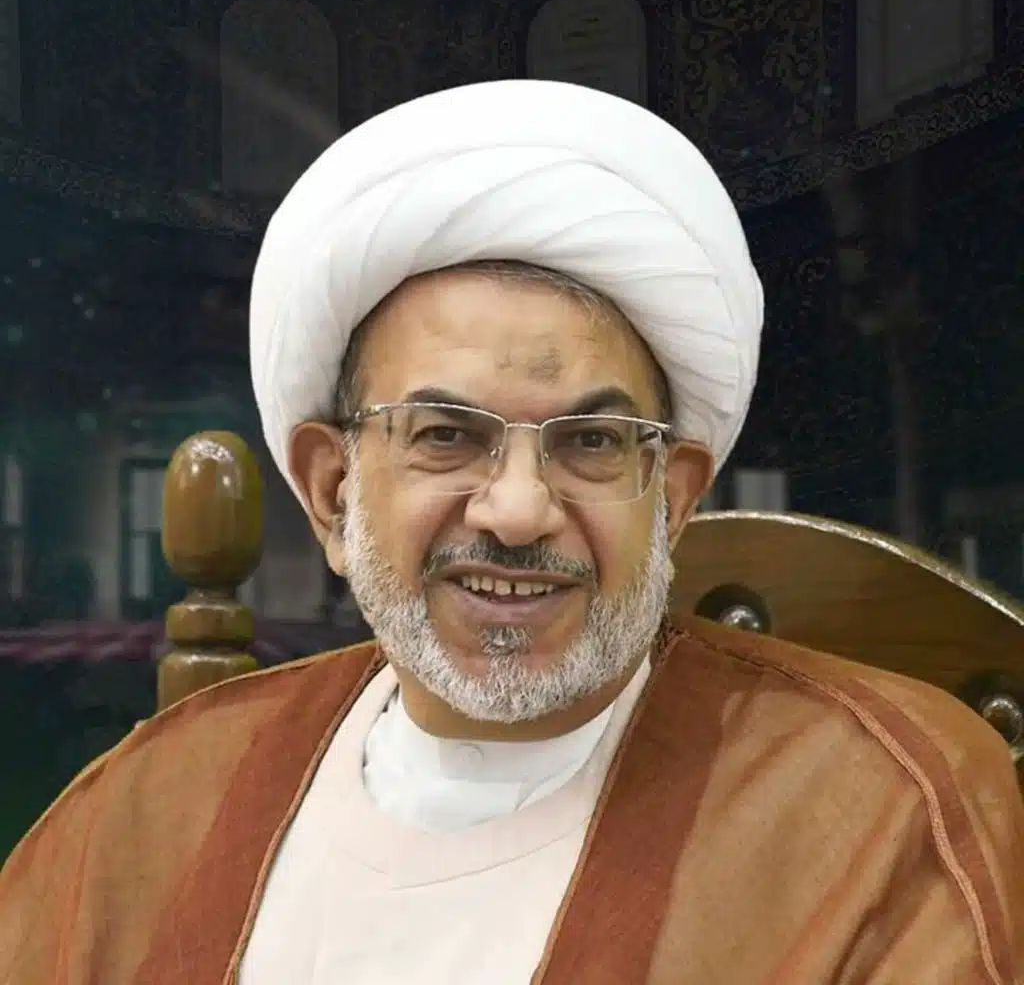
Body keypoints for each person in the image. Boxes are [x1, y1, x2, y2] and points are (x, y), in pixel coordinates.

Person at [0, 81, 1021, 985]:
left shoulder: (883, 813)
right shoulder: (151, 805)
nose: (520, 510)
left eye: (591, 442)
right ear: (331, 491)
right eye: (445, 435)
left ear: (670, 500)